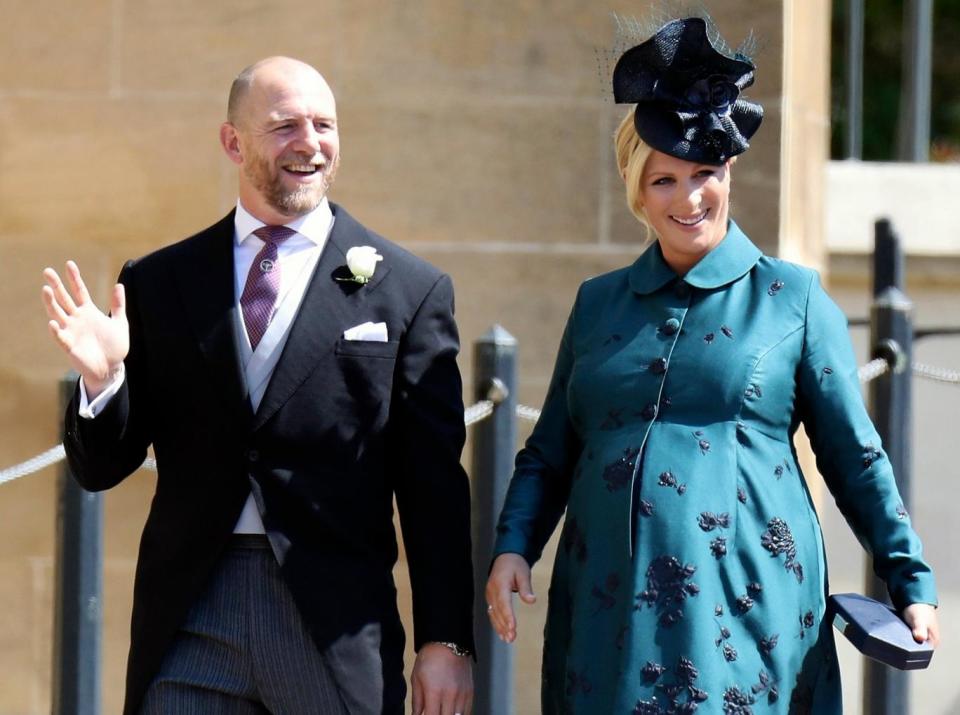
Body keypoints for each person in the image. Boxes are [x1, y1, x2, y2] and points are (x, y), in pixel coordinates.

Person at [485, 17, 939, 714]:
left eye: (705, 173)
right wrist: (513, 544)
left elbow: (857, 457)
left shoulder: (793, 298)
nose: (688, 198)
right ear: (638, 188)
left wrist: (911, 583)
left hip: (747, 610)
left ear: (728, 172)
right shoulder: (598, 303)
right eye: (664, 179)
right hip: (608, 612)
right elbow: (549, 451)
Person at [42, 56, 474, 715]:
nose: (309, 142)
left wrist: (446, 637)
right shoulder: (161, 282)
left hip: (334, 623)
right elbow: (101, 468)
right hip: (191, 617)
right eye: (284, 125)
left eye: (324, 124)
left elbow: (435, 488)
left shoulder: (407, 291)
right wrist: (103, 382)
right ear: (232, 141)